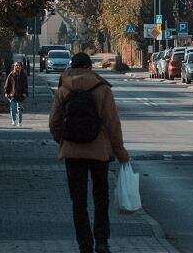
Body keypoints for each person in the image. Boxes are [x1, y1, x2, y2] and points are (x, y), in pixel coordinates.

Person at [49, 52, 130, 253]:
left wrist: (63, 140)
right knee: (101, 198)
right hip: (99, 152)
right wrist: (121, 153)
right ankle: (101, 242)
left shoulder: (64, 89)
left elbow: (53, 122)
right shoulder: (102, 89)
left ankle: (84, 245)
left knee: (78, 201)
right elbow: (113, 124)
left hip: (72, 153)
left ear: (71, 66)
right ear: (89, 67)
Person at [4, 60, 30, 127]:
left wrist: (25, 93)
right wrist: (6, 92)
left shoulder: (24, 75)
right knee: (13, 108)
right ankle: (14, 120)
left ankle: (20, 121)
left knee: (19, 109)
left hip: (21, 95)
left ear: (21, 67)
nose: (18, 67)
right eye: (16, 65)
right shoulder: (11, 75)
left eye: (19, 65)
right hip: (12, 95)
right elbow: (7, 85)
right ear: (14, 66)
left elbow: (25, 85)